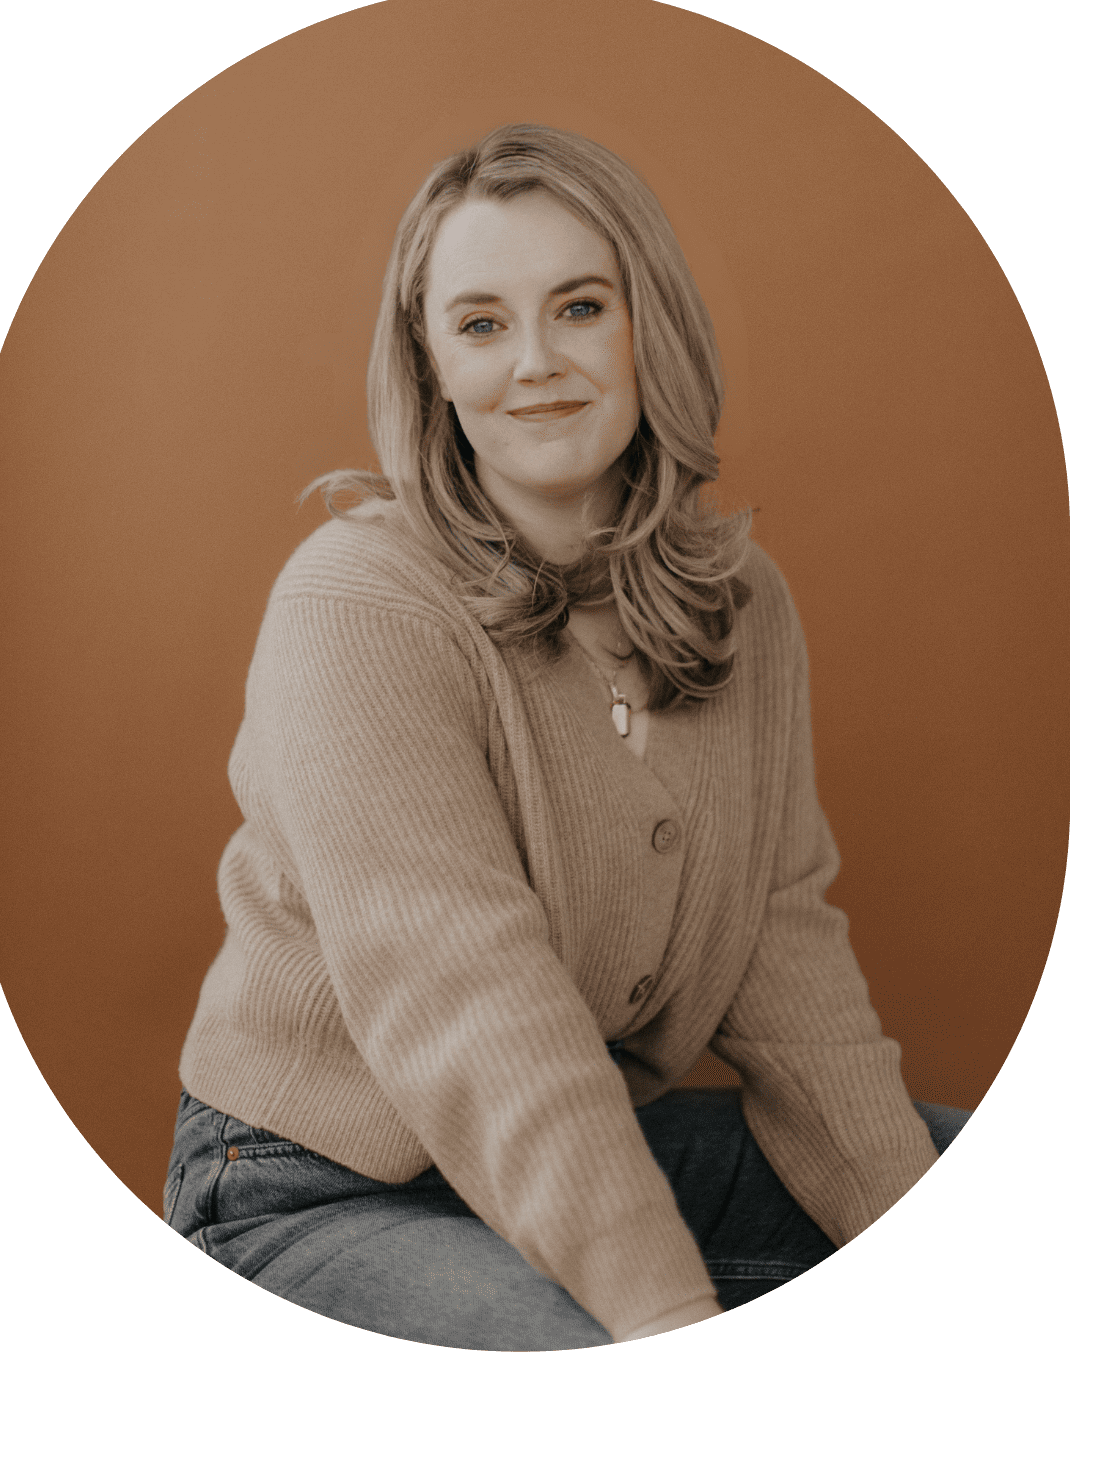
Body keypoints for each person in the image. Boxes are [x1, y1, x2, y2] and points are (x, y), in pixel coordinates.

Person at [165, 124, 967, 1350]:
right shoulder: (358, 603)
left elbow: (788, 966)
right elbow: (472, 1005)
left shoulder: (741, 606)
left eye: (580, 307)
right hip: (309, 1183)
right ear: (430, 364)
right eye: (482, 323)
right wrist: (659, 1316)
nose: (536, 363)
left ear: (647, 323)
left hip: (578, 1144)